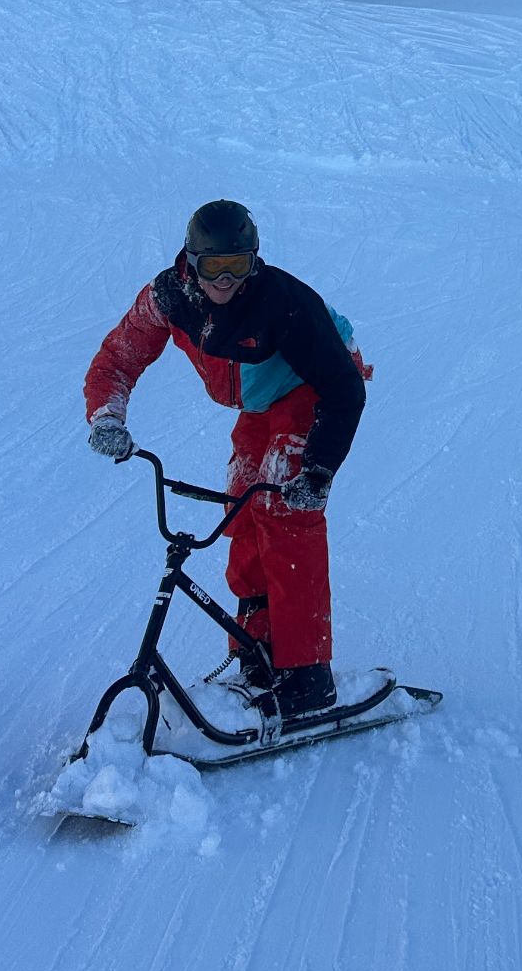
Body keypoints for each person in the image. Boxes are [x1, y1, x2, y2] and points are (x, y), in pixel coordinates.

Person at [83, 199, 369, 730]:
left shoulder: (283, 303)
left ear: (254, 260)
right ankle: (258, 650)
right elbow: (118, 357)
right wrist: (107, 416)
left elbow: (344, 388)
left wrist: (318, 471)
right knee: (242, 505)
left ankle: (307, 674)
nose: (225, 280)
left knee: (285, 511)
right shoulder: (167, 298)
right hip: (261, 401)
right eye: (214, 266)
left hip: (313, 388)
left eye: (238, 265)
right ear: (190, 263)